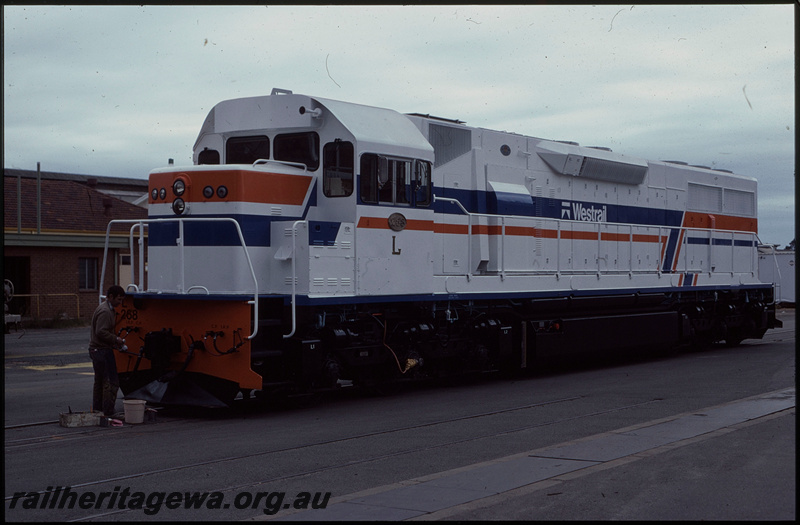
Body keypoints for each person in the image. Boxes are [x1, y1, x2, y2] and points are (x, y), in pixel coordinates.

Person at [89, 285, 126, 416]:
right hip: (101, 351)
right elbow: (101, 331)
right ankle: (108, 411)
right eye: (118, 299)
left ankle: (98, 410)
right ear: (110, 297)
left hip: (97, 350)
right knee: (110, 382)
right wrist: (116, 339)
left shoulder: (107, 309)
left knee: (99, 382)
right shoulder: (105, 311)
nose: (120, 303)